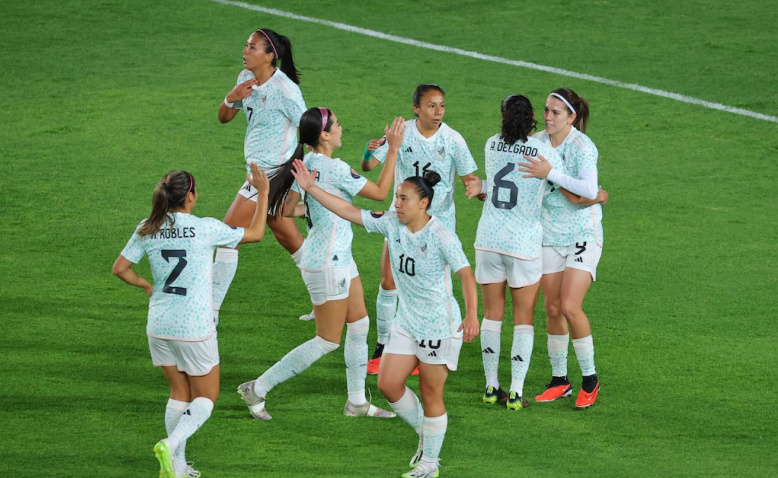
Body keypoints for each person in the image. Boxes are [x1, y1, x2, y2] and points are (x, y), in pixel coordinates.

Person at [291, 161, 479, 478]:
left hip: (438, 326)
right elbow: (349, 211)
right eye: (397, 197)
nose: (397, 203)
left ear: (424, 203)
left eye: (404, 198)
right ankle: (427, 434)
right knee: (388, 384)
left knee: (432, 393)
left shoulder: (441, 236)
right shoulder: (391, 223)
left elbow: (465, 274)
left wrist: (472, 314)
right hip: (406, 321)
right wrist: (311, 189)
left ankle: (430, 463)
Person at [236, 107, 406, 420]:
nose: (342, 128)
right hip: (329, 262)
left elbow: (288, 208)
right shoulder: (334, 168)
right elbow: (382, 193)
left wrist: (318, 208)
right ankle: (256, 389)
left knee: (359, 324)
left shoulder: (307, 163)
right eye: (337, 125)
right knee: (327, 340)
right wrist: (393, 149)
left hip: (333, 256)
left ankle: (356, 401)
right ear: (324, 135)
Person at [112, 164, 270, 478]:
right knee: (206, 396)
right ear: (190, 197)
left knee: (178, 394)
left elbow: (120, 268)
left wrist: (146, 285)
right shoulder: (204, 228)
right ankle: (170, 445)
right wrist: (263, 193)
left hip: (159, 326)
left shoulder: (147, 227)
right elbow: (256, 233)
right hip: (194, 327)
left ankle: (180, 468)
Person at [361, 83, 479, 375]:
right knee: (389, 279)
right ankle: (383, 345)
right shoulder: (402, 134)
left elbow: (470, 179)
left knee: (435, 287)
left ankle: (430, 345)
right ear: (416, 108)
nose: (438, 112)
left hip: (437, 226)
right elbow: (367, 166)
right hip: (400, 220)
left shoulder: (453, 140)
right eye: (431, 106)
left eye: (441, 106)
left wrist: (482, 191)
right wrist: (371, 148)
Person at [464, 94, 563, 410]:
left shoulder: (492, 144)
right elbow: (557, 186)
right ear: (533, 115)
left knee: (492, 315)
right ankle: (517, 391)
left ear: (503, 118)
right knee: (523, 318)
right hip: (522, 244)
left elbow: (491, 185)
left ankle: (492, 386)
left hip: (488, 241)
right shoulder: (543, 152)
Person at [518, 87, 608, 409]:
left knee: (570, 306)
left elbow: (589, 189)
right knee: (552, 308)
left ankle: (590, 379)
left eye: (555, 112)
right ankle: (560, 380)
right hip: (549, 233)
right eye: (545, 110)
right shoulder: (536, 143)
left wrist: (550, 173)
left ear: (571, 117)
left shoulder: (583, 147)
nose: (547, 117)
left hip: (583, 232)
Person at [215, 28, 311, 324]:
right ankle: (330, 298)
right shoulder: (245, 79)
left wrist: (307, 176)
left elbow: (310, 130)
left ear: (270, 56)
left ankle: (210, 311)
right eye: (246, 45)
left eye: (252, 47)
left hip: (271, 174)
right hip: (259, 171)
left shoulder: (285, 90)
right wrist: (232, 97)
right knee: (288, 237)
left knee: (226, 237)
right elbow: (223, 117)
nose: (245, 50)